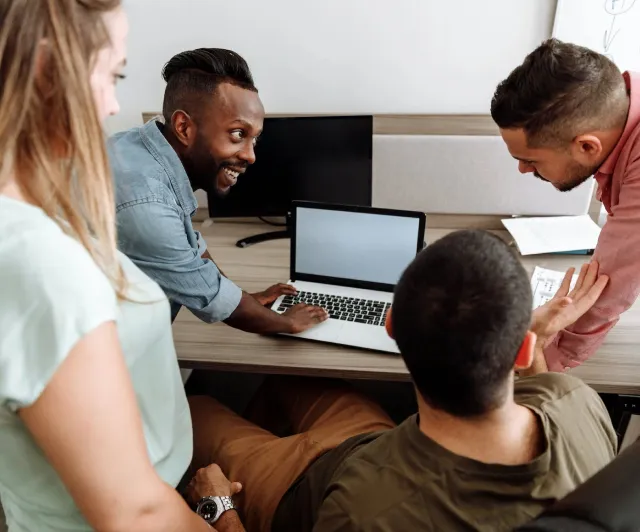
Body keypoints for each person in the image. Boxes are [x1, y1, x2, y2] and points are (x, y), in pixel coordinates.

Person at [186, 230, 617, 532]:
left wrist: (218, 507)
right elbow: (544, 391)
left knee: (197, 408)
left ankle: (257, 481)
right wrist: (534, 339)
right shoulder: (577, 401)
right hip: (376, 446)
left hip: (308, 493)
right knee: (289, 382)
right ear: (522, 351)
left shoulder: (365, 514)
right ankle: (266, 446)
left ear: (391, 327)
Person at [0, 2, 245, 530]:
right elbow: (134, 513)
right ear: (48, 70)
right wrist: (221, 514)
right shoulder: (40, 265)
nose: (112, 105)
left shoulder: (38, 211)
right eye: (114, 75)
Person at [108, 48, 326, 334]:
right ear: (183, 126)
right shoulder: (147, 202)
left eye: (254, 139)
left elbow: (191, 252)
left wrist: (243, 298)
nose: (250, 156)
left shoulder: (137, 146)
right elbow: (213, 301)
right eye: (238, 134)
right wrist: (288, 322)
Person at [491, 38, 640, 371]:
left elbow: (605, 291)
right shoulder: (620, 107)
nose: (522, 170)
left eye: (529, 159)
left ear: (587, 147)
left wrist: (542, 363)